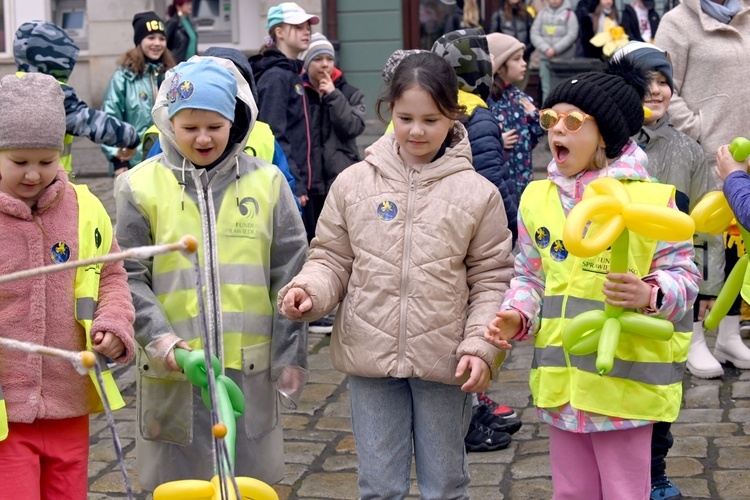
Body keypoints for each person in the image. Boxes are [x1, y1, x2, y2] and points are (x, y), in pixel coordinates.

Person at [278, 51, 514, 498]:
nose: (417, 130)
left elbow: (491, 277)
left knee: (445, 483)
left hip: (447, 359)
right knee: (379, 485)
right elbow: (331, 257)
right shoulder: (353, 183)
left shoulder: (478, 193)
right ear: (389, 112)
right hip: (370, 355)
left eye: (431, 118)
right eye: (406, 117)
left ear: (453, 116)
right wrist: (309, 290)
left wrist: (481, 348)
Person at [484, 58, 700, 499]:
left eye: (573, 121)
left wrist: (650, 291)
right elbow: (530, 275)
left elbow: (686, 277)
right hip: (563, 385)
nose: (556, 130)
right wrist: (516, 314)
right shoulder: (536, 199)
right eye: (550, 119)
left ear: (607, 133)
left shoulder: (652, 201)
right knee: (571, 493)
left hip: (623, 385)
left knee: (624, 492)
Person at [115, 57, 308, 490]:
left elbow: (291, 270)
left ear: (235, 121)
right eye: (190, 127)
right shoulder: (140, 187)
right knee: (176, 487)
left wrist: (289, 354)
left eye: (215, 126)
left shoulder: (268, 183)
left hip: (248, 371)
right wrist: (166, 343)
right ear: (169, 122)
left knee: (248, 484)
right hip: (174, 372)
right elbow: (127, 275)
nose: (203, 138)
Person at [0, 72, 136, 499]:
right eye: (19, 162)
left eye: (46, 160)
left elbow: (112, 275)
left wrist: (114, 325)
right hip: (5, 412)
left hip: (68, 400)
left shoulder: (86, 207)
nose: (33, 174)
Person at [613, 41, 724, 500]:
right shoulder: (605, 146)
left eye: (664, 82)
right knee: (618, 381)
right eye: (646, 82)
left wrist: (709, 287)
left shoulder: (688, 152)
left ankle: (654, 470)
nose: (656, 91)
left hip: (668, 295)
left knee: (661, 387)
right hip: (616, 288)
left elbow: (707, 227)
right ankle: (618, 465)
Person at [655, 0, 750, 370]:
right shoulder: (678, 22)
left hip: (744, 157)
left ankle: (728, 335)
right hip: (705, 155)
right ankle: (693, 336)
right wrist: (698, 130)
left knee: (739, 249)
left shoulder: (746, 15)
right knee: (700, 245)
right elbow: (661, 83)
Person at [13, 21, 141, 177]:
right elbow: (91, 122)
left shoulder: (6, 88)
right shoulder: (54, 92)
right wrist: (130, 137)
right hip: (48, 184)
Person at [431, 28, 519, 245]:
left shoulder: (431, 108)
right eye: (486, 58)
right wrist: (514, 226)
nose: (492, 61)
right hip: (476, 230)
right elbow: (491, 180)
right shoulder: (476, 117)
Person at [250, 2, 318, 232]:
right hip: (290, 187)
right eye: (298, 26)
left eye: (308, 26)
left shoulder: (293, 73)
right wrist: (295, 184)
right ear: (279, 32)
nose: (307, 31)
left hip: (302, 186)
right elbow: (274, 135)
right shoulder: (276, 77)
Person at [299, 33, 366, 244]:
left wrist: (333, 96)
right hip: (310, 182)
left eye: (329, 59)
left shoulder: (350, 93)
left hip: (340, 178)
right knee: (312, 239)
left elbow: (352, 127)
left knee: (341, 240)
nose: (325, 65)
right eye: (318, 59)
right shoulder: (298, 93)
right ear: (307, 63)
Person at [101, 11, 175, 176]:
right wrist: (119, 160)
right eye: (151, 38)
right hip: (134, 163)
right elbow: (110, 116)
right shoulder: (124, 76)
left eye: (161, 38)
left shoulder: (172, 75)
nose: (157, 43)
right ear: (139, 41)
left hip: (169, 161)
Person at [486, 32, 544, 198]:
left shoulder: (519, 97)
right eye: (517, 59)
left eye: (523, 58)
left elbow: (530, 140)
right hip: (498, 182)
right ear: (499, 64)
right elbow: (474, 138)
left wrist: (535, 118)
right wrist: (497, 140)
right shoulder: (485, 100)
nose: (524, 64)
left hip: (522, 179)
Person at [530, 0, 579, 103]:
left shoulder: (569, 14)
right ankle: (546, 114)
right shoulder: (542, 13)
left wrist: (555, 49)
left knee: (564, 88)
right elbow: (534, 33)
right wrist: (545, 48)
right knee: (546, 89)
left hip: (563, 59)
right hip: (545, 58)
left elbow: (572, 34)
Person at [165, 0, 198, 64]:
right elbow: (165, 42)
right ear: (178, 7)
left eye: (190, 4)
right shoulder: (173, 22)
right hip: (178, 63)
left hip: (191, 63)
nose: (190, 6)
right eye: (187, 4)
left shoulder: (189, 22)